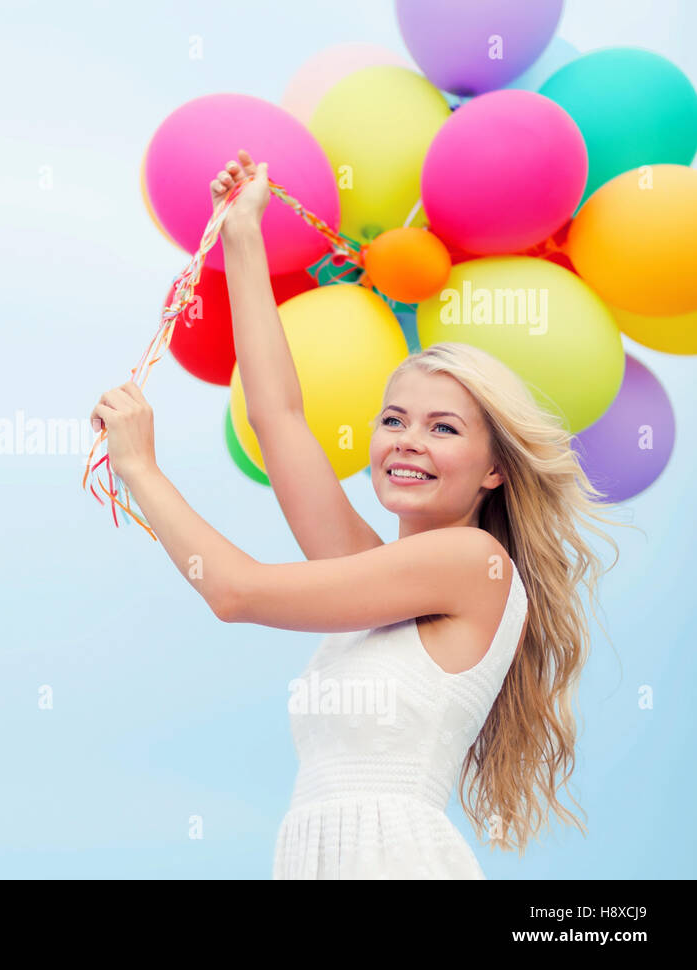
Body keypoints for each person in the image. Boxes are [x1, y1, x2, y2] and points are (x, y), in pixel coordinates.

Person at [89, 149, 622, 878]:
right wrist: (245, 238)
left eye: (444, 428)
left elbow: (236, 592)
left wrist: (142, 469)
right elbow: (277, 418)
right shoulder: (377, 578)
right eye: (394, 419)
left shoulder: (473, 564)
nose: (408, 441)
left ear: (496, 468)